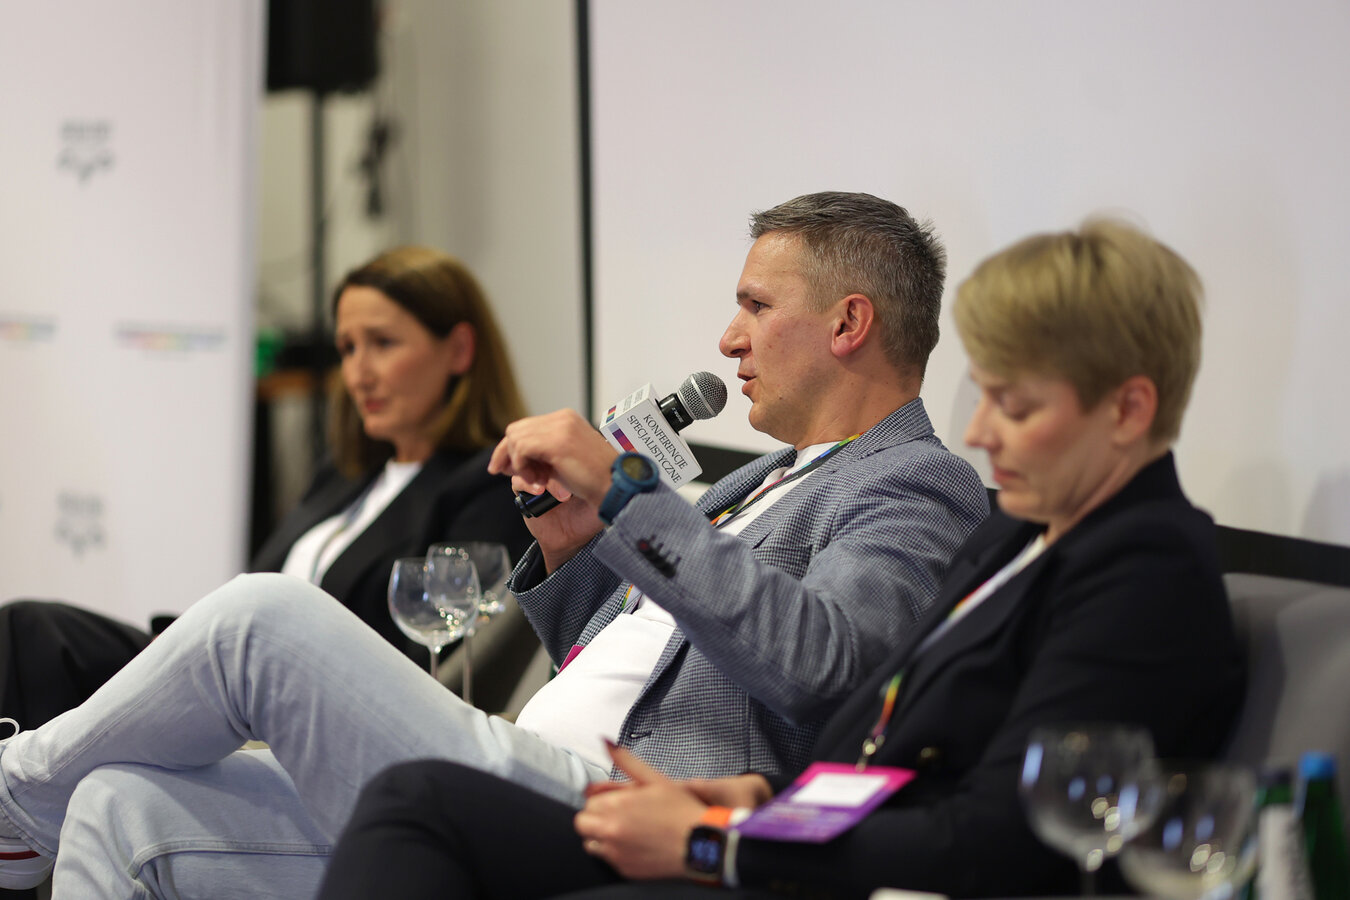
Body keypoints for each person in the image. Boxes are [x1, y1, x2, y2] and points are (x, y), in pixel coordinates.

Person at [0, 191, 987, 897]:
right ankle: (35, 807)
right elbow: (625, 660)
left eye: (757, 307)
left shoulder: (914, 483)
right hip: (528, 766)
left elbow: (826, 668)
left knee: (261, 620)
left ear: (849, 323)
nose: (729, 339)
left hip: (632, 802)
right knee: (120, 805)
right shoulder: (757, 478)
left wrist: (631, 496)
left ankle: (12, 795)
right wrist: (572, 547)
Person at [312, 219, 1246, 900]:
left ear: (1128, 409)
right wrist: (759, 798)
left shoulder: (1147, 572)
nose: (979, 431)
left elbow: (995, 837)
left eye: (1017, 406)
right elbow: (891, 747)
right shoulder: (1019, 538)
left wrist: (727, 839)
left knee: (392, 771)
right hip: (763, 831)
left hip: (793, 871)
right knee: (371, 807)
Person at [0, 244, 534, 728]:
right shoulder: (344, 476)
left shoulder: (486, 485)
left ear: (459, 350)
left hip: (306, 704)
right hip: (227, 674)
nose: (358, 374)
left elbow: (448, 662)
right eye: (347, 348)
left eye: (382, 343)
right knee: (30, 631)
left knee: (33, 637)